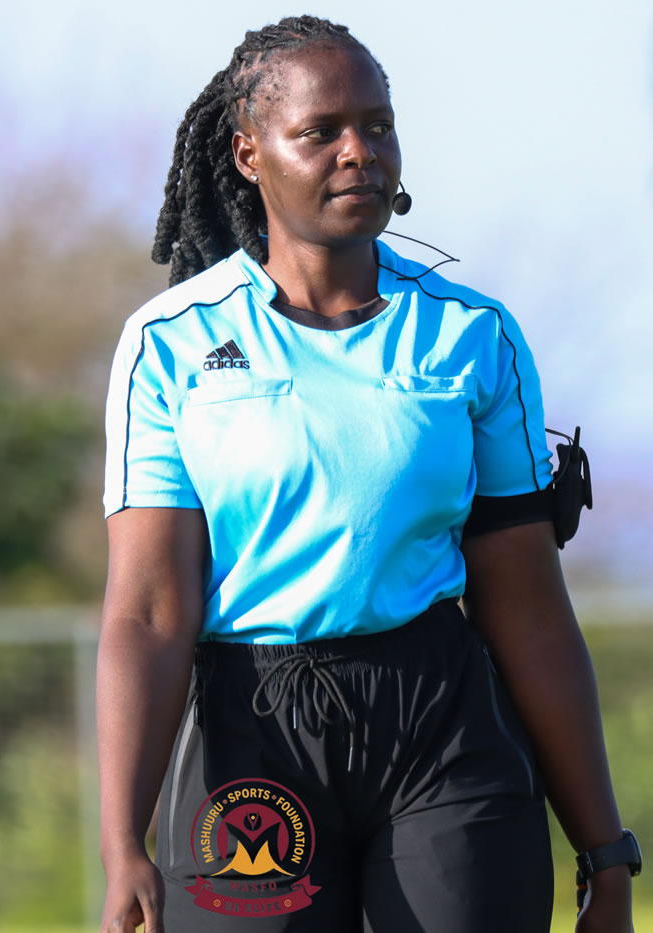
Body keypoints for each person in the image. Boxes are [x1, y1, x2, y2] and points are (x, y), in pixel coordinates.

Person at [97, 15, 637, 933]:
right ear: (249, 154)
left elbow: (530, 607)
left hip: (441, 724)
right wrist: (123, 844)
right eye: (321, 131)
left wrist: (604, 855)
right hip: (252, 732)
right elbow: (149, 613)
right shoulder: (172, 343)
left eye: (377, 125)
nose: (360, 151)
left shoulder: (473, 336)